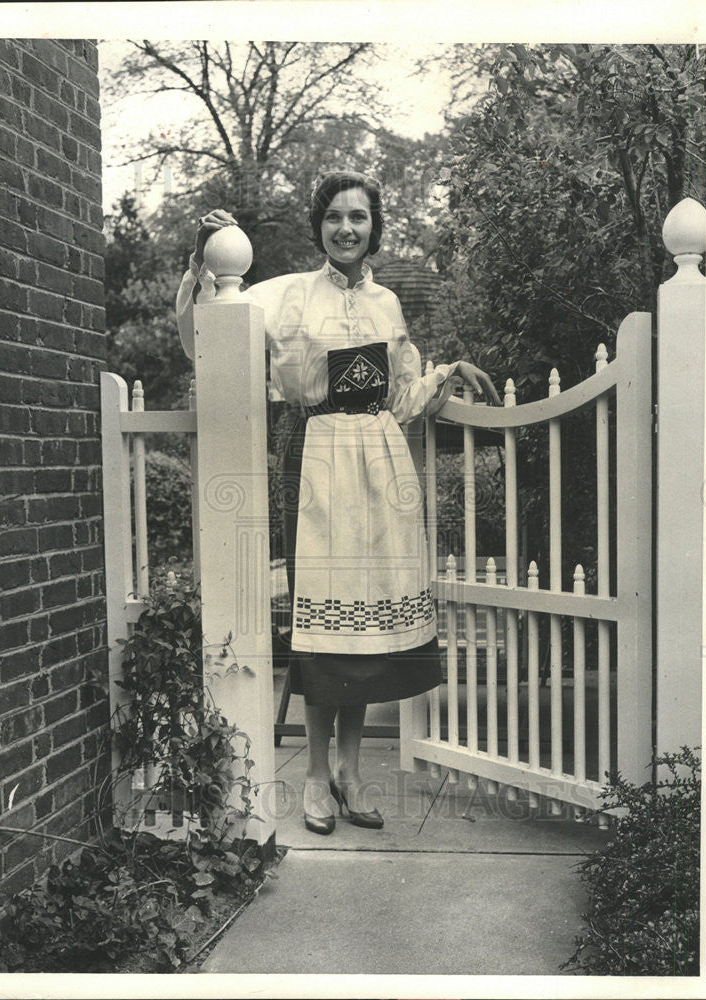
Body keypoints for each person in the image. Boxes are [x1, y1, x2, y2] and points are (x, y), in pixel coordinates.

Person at [176, 172, 501, 835]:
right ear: (318, 227)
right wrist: (200, 272)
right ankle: (316, 777)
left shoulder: (387, 304)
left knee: (366, 630)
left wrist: (446, 371)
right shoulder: (289, 296)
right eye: (333, 218)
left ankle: (352, 772)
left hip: (378, 470)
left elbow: (404, 398)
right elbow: (207, 343)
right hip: (315, 458)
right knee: (322, 627)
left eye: (357, 217)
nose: (346, 229)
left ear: (373, 226)